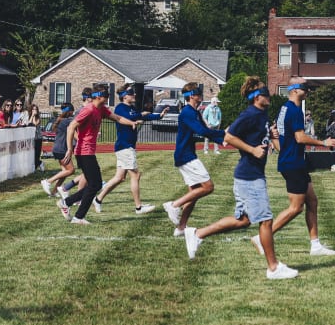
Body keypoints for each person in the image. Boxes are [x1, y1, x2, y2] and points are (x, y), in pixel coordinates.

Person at [183, 76, 297, 279]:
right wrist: (252, 150)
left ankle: (197, 234)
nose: (269, 95)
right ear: (255, 97)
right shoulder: (250, 114)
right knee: (266, 220)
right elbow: (228, 137)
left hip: (250, 175)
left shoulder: (262, 114)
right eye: (265, 93)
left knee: (243, 220)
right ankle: (273, 268)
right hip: (249, 176)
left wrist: (269, 135)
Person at [253, 79, 335, 259]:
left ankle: (315, 245)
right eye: (304, 87)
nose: (308, 89)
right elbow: (300, 138)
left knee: (312, 201)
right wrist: (324, 142)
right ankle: (262, 238)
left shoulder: (284, 108)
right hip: (293, 163)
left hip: (294, 161)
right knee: (295, 208)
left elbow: (278, 139)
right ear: (293, 90)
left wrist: (275, 142)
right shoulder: (294, 110)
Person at [59, 91, 133, 225]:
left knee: (95, 184)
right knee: (95, 185)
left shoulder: (101, 109)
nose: (108, 100)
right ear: (98, 96)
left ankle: (67, 203)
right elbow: (71, 127)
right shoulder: (88, 110)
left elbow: (117, 118)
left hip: (88, 152)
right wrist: (70, 148)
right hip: (83, 152)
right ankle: (77, 216)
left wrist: (131, 123)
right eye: (106, 97)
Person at [163, 83, 227, 236]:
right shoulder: (187, 112)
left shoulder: (195, 112)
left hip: (187, 154)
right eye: (198, 93)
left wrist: (221, 138)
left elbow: (206, 131)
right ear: (192, 95)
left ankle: (181, 228)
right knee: (208, 187)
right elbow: (201, 131)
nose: (201, 95)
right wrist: (223, 135)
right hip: (186, 156)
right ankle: (174, 205)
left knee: (194, 193)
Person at [95, 86, 159, 215]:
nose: (134, 95)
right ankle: (139, 207)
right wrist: (140, 115)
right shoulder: (120, 108)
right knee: (135, 175)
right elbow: (131, 117)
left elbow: (142, 116)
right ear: (125, 96)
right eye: (131, 93)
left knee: (119, 178)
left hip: (127, 146)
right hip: (124, 146)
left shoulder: (132, 109)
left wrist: (159, 116)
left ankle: (98, 199)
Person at [40, 104, 80, 196]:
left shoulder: (60, 120)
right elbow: (74, 134)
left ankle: (54, 191)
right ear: (69, 111)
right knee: (71, 170)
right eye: (72, 111)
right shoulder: (68, 121)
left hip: (57, 148)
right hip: (62, 149)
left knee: (64, 172)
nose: (73, 113)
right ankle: (48, 181)